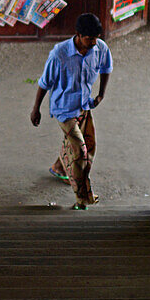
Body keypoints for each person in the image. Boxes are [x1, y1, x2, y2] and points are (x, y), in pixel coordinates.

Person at [29, 12, 113, 210]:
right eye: (89, 38)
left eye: (96, 38)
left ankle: (59, 168)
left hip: (84, 107)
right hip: (64, 110)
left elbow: (106, 68)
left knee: (89, 146)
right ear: (77, 34)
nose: (93, 42)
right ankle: (82, 198)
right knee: (81, 152)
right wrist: (36, 109)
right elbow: (44, 83)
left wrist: (101, 94)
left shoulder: (100, 48)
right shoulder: (59, 54)